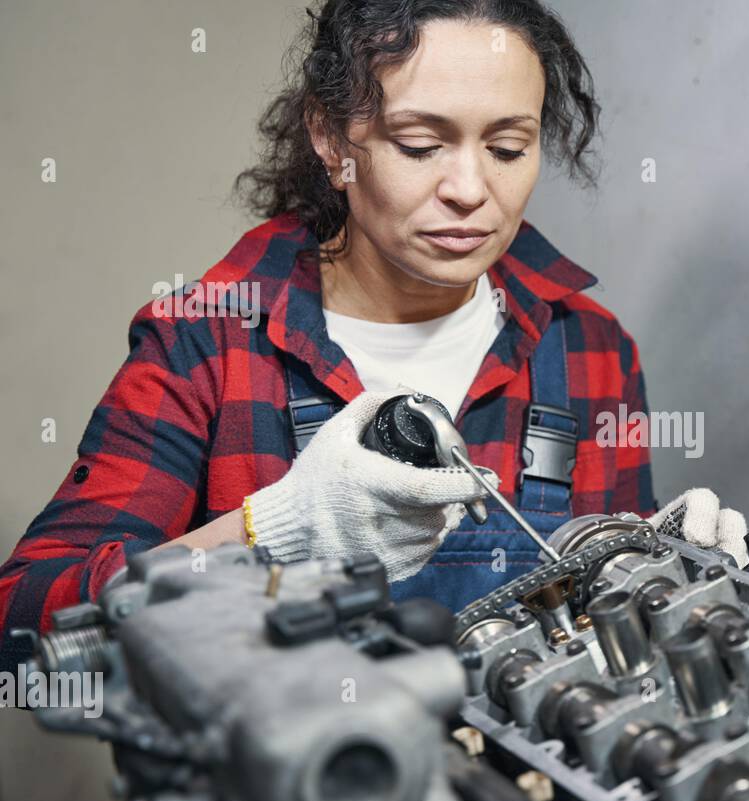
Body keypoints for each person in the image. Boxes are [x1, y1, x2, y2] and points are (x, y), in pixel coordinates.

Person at [0, 0, 673, 671]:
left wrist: (671, 569)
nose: (471, 189)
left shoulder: (590, 349)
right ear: (329, 139)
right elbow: (23, 643)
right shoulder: (208, 344)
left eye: (507, 148)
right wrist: (268, 536)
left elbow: (615, 638)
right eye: (420, 145)